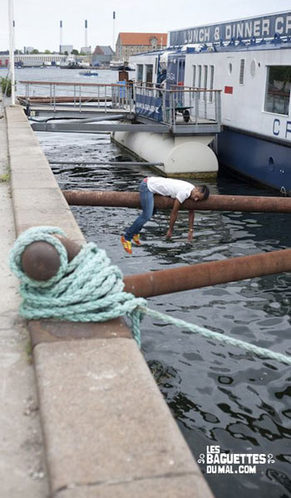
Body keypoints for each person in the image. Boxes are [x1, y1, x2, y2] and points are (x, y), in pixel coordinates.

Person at [121, 176, 210, 254]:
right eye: (197, 196)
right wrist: (170, 230)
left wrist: (190, 230)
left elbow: (191, 212)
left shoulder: (191, 188)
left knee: (152, 212)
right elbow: (174, 212)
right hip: (147, 186)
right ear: (197, 189)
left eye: (198, 199)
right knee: (147, 215)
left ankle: (135, 232)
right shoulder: (184, 192)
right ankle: (127, 237)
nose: (195, 200)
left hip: (150, 183)